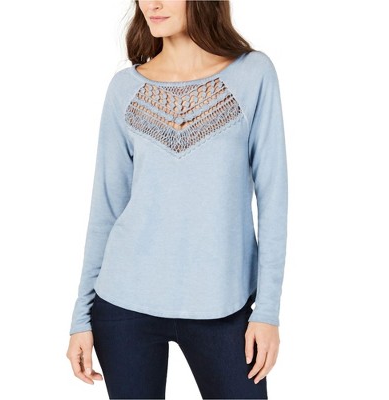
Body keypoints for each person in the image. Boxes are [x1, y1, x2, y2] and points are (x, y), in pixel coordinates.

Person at [66, 1, 288, 399]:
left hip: (222, 307)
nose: (152, 4)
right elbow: (106, 209)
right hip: (124, 305)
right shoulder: (125, 89)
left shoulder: (253, 74)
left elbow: (273, 199)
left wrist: (267, 311)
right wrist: (80, 317)